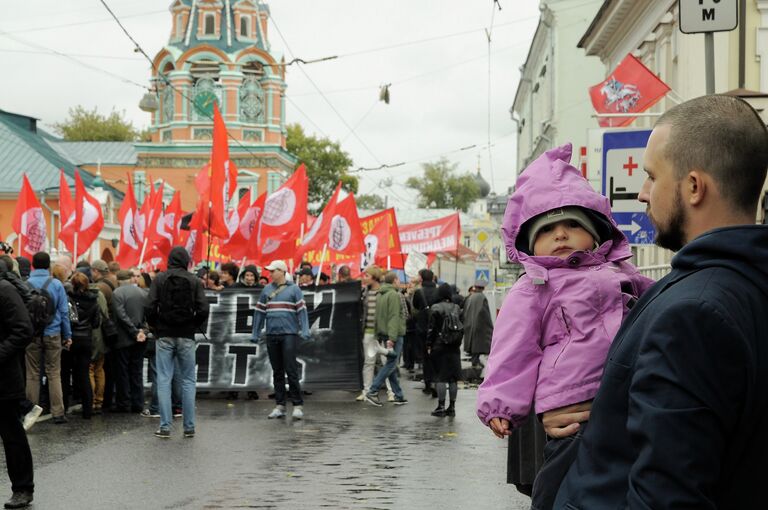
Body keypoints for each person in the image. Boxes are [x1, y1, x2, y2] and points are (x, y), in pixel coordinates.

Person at [552, 96, 768, 509]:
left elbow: (666, 495)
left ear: (693, 187)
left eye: (652, 176)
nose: (643, 193)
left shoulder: (694, 314)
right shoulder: (740, 285)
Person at [476, 143, 653, 510]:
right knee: (559, 483)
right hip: (572, 407)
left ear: (595, 230)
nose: (561, 235)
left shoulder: (621, 273)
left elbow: (659, 302)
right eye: (548, 229)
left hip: (625, 398)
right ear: (530, 241)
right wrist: (501, 405)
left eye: (572, 224)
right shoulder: (534, 287)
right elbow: (514, 349)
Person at [146, 247, 208, 438]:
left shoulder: (159, 279)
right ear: (187, 261)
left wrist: (155, 326)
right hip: (186, 334)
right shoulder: (195, 280)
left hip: (164, 334)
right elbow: (204, 308)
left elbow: (149, 306)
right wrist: (193, 324)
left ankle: (165, 426)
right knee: (188, 380)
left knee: (164, 379)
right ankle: (189, 426)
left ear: (169, 260)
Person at [250, 260, 310, 420]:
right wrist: (255, 333)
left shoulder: (295, 290)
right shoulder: (266, 290)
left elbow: (302, 311)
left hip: (289, 334)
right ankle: (280, 405)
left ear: (282, 272)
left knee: (290, 370)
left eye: (273, 271)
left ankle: (297, 405)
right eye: (269, 271)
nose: (270, 274)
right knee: (277, 371)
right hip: (271, 335)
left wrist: (305, 329)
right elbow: (259, 313)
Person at [0, 259, 35, 509]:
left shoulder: (4, 290)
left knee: (12, 436)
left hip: (3, 379)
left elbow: (23, 330)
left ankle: (23, 488)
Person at [26, 252, 72, 425]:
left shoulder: (26, 284)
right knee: (54, 373)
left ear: (33, 265)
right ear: (48, 266)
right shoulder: (57, 284)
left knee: (32, 374)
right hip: (53, 333)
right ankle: (58, 413)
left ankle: (30, 412)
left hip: (33, 334)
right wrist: (67, 335)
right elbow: (63, 312)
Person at [364, 271, 409, 407]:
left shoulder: (380, 294)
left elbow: (377, 316)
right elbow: (394, 317)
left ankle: (398, 395)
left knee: (391, 364)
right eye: (398, 280)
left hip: (383, 333)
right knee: (392, 364)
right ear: (394, 280)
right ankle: (373, 391)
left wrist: (378, 335)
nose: (399, 282)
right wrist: (393, 338)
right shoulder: (394, 295)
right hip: (394, 334)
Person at [64, 272, 100, 420]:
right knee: (84, 374)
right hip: (86, 339)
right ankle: (87, 410)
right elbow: (96, 323)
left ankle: (64, 407)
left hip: (70, 338)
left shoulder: (68, 299)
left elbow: (65, 318)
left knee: (65, 374)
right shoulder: (94, 301)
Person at [111, 270, 148, 413]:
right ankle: (138, 403)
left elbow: (121, 316)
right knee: (136, 371)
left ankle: (124, 403)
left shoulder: (117, 294)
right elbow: (147, 315)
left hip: (123, 338)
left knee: (123, 372)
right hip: (140, 338)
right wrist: (142, 331)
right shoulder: (142, 293)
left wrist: (134, 332)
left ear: (118, 280)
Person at [357, 266, 394, 402]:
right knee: (368, 362)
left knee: (386, 362)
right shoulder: (364, 292)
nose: (364, 278)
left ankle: (392, 392)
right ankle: (367, 391)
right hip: (368, 332)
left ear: (374, 277)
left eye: (366, 275)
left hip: (382, 333)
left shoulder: (385, 292)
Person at [427, 283, 462, 417]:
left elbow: (431, 329)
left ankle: (440, 407)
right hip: (454, 346)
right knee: (453, 378)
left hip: (439, 345)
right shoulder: (457, 308)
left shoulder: (435, 308)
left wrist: (428, 344)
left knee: (440, 377)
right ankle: (451, 407)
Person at [412, 269, 440, 396]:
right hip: (437, 328)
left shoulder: (419, 292)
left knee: (425, 356)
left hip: (423, 328)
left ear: (422, 278)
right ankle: (436, 380)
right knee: (436, 355)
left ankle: (428, 383)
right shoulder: (438, 291)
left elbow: (416, 307)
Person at [461, 280, 493, 369]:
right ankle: (475, 363)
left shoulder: (470, 297)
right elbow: (485, 314)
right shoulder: (482, 298)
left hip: (469, 324)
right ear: (483, 288)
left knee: (473, 345)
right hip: (479, 326)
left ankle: (475, 361)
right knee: (478, 345)